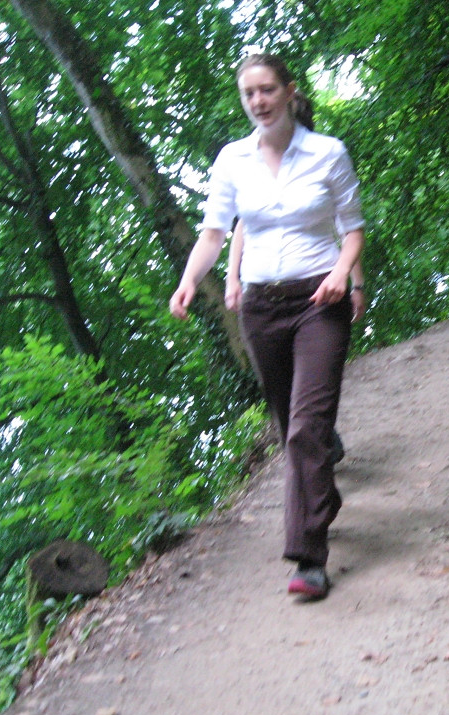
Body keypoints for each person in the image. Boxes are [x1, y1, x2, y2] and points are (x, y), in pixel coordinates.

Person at [169, 53, 365, 601]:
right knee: (288, 427)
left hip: (318, 302)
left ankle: (308, 557)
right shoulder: (232, 161)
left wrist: (343, 275)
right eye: (248, 93)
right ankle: (320, 496)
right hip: (261, 309)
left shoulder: (329, 154)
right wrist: (189, 282)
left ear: (287, 91)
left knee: (307, 427)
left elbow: (352, 232)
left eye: (266, 90)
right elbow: (214, 233)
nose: (257, 101)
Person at [225, 91, 364, 465]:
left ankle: (316, 441)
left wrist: (353, 282)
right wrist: (232, 278)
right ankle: (316, 444)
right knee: (284, 392)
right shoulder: (250, 167)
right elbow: (240, 228)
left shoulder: (322, 161)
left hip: (317, 286)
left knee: (309, 390)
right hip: (264, 294)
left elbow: (347, 230)